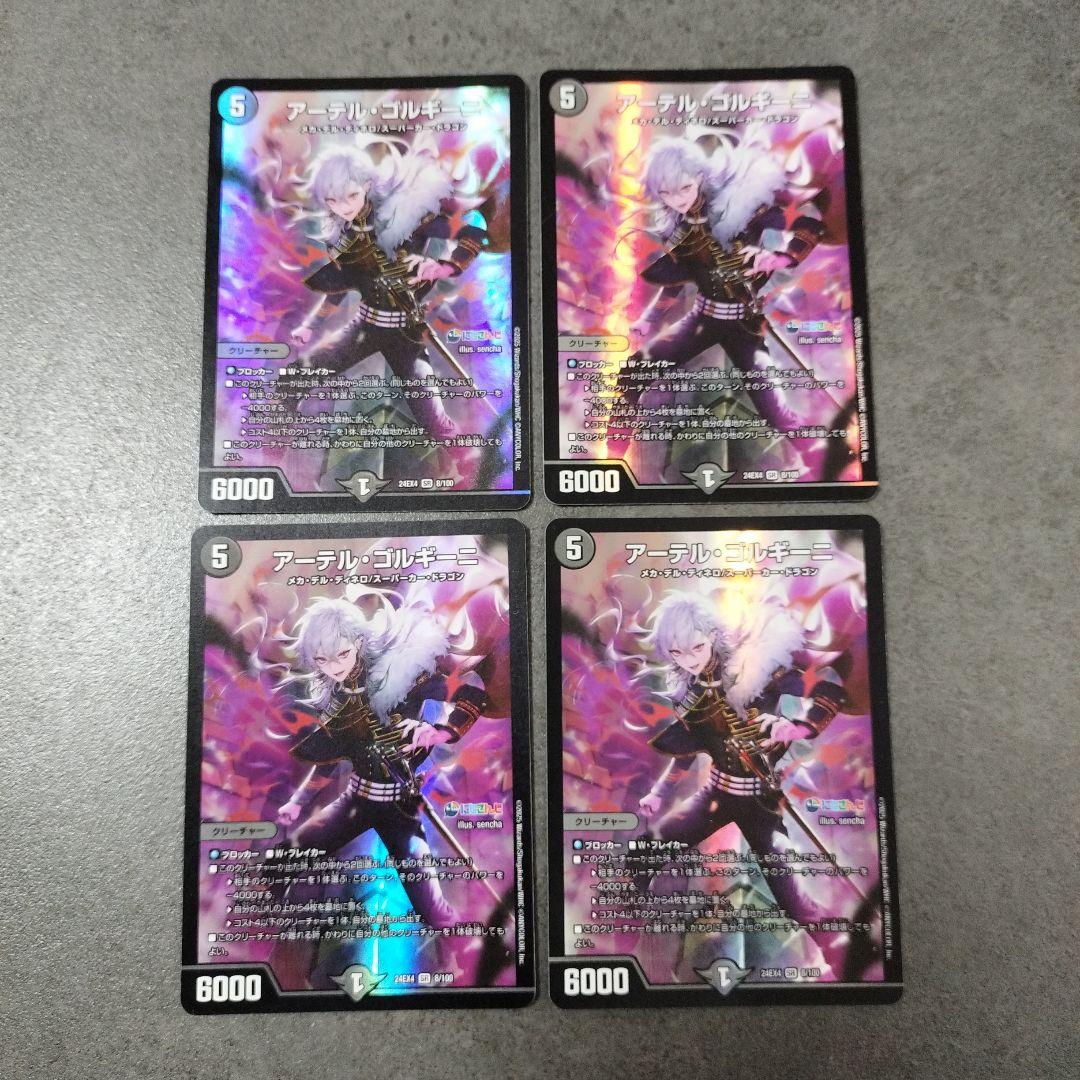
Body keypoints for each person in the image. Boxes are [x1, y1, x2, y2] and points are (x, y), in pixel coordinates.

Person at [635, 592, 848, 967]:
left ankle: (844, 951)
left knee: (794, 900)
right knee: (643, 854)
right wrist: (658, 792)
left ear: (712, 636)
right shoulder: (691, 691)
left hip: (761, 802)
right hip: (715, 795)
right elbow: (688, 748)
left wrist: (796, 727)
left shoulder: (756, 669)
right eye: (678, 653)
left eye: (697, 647)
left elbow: (828, 688)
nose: (690, 660)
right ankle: (624, 934)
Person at [611, 138, 825, 476]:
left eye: (684, 188)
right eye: (666, 193)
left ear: (699, 176)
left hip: (743, 325)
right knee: (634, 372)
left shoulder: (740, 206)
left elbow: (808, 219)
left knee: (774, 408)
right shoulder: (677, 224)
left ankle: (822, 457)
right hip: (703, 318)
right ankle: (608, 458)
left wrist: (781, 256)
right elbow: (679, 276)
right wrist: (649, 317)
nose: (678, 199)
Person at [276, 597, 487, 930]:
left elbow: (472, 696)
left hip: (400, 808)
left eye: (342, 654)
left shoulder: (404, 676)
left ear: (359, 642)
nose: (334, 667)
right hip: (355, 801)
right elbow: (329, 755)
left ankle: (472, 950)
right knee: (283, 861)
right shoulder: (338, 696)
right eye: (322, 660)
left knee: (434, 911)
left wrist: (438, 732)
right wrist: (297, 802)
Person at [288, 147, 486, 443]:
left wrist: (443, 267)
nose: (343, 207)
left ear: (367, 186)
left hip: (405, 333)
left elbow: (475, 226)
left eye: (351, 196)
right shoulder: (342, 230)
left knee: (436, 423)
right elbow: (341, 283)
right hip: (364, 328)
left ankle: (470, 464)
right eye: (333, 200)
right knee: (293, 379)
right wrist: (311, 325)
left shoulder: (404, 215)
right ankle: (269, 452)